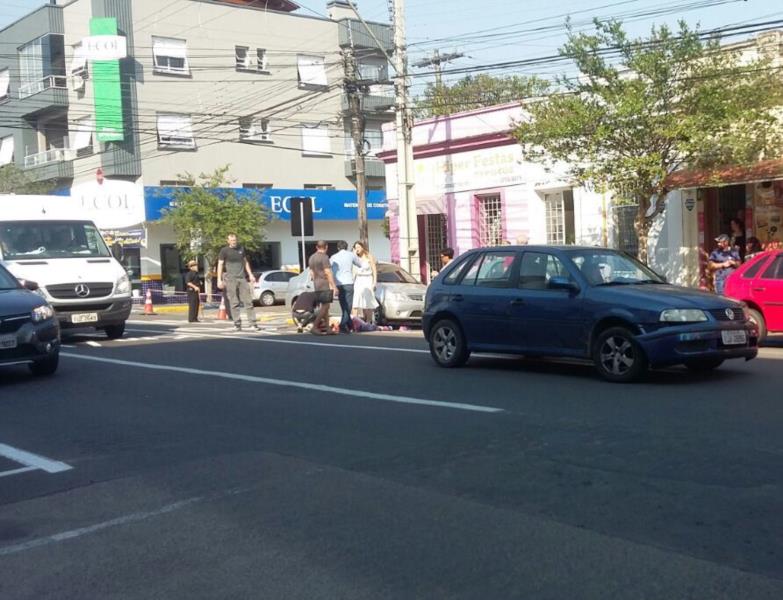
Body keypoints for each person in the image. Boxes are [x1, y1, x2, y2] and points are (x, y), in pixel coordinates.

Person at [217, 233, 260, 332]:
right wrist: (219, 279)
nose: (234, 242)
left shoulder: (241, 249)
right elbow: (220, 265)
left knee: (248, 301)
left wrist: (250, 274)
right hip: (231, 279)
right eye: (232, 240)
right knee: (234, 302)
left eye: (235, 240)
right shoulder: (224, 251)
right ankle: (237, 323)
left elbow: (245, 262)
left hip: (242, 278)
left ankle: (253, 323)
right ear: (228, 241)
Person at [330, 240, 361, 334]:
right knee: (348, 306)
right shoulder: (351, 255)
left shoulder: (333, 257)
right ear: (346, 247)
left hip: (338, 284)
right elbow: (360, 264)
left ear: (338, 248)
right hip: (348, 282)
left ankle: (349, 324)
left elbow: (329, 269)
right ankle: (343, 325)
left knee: (343, 305)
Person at [308, 240, 338, 336]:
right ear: (326, 247)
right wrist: (334, 286)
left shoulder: (312, 257)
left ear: (317, 247)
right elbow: (328, 272)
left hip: (316, 284)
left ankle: (328, 328)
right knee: (326, 306)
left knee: (325, 306)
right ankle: (315, 326)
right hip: (324, 284)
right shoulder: (324, 258)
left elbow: (311, 273)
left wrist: (315, 280)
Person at [352, 240, 379, 323]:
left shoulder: (369, 256)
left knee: (368, 300)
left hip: (368, 279)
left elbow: (374, 270)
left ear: (362, 247)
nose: (357, 249)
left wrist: (374, 282)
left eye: (359, 247)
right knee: (356, 300)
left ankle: (368, 321)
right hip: (358, 279)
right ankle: (354, 321)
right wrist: (354, 254)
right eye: (355, 247)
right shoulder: (355, 257)